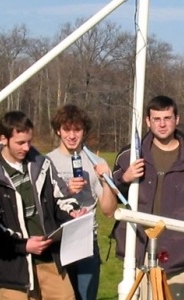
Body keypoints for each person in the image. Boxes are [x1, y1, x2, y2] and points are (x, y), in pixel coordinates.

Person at [112, 95, 184, 299]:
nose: (162, 124)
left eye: (167, 118)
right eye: (157, 119)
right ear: (148, 121)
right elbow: (109, 202)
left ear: (177, 119)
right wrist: (125, 178)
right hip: (139, 252)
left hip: (182, 257)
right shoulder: (129, 155)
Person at [0, 111, 77, 299]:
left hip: (50, 258)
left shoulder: (43, 165)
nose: (26, 147)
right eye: (20, 143)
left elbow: (61, 199)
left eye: (29, 141)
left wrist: (72, 212)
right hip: (13, 266)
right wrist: (24, 246)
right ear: (4, 139)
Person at [46, 104, 116, 300]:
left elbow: (109, 211)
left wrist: (106, 181)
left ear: (84, 131)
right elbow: (42, 207)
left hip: (86, 242)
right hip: (57, 242)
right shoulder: (46, 162)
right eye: (66, 129)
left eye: (77, 129)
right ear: (58, 130)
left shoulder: (94, 162)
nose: (71, 135)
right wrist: (65, 189)